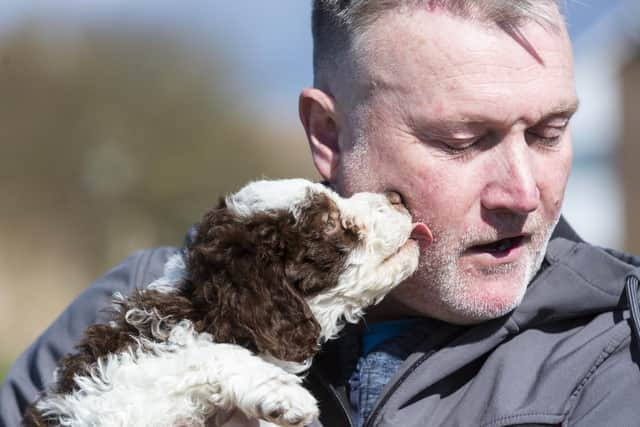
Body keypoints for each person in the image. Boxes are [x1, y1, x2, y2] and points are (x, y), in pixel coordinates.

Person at [2, 1, 640, 426]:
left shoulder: (621, 366)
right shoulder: (128, 311)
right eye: (462, 141)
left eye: (550, 133)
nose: (523, 193)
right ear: (328, 135)